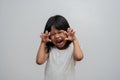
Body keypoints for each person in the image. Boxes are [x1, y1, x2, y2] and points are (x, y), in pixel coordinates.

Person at [36, 15, 83, 80]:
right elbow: (39, 61)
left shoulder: (72, 47)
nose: (57, 36)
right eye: (52, 34)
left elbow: (79, 57)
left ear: (67, 32)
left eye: (60, 32)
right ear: (49, 36)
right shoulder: (50, 48)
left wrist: (74, 40)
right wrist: (43, 42)